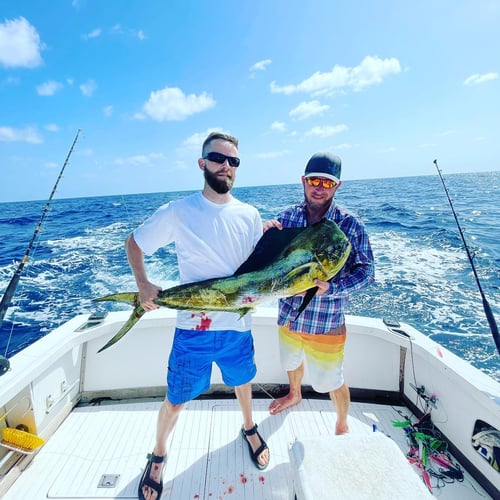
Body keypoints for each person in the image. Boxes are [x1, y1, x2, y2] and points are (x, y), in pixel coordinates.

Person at [126, 131, 270, 500]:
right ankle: (158, 454)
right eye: (218, 158)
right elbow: (135, 242)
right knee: (176, 399)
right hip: (194, 329)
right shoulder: (179, 210)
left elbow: (256, 267)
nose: (226, 166)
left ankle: (249, 428)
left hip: (238, 325)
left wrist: (272, 237)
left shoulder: (251, 214)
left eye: (233, 161)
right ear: (202, 162)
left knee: (243, 382)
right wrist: (144, 285)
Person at [267, 152, 374, 435]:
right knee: (290, 362)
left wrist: (333, 288)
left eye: (327, 183)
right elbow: (264, 259)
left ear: (337, 186)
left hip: (326, 322)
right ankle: (294, 393)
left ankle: (342, 424)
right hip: (289, 316)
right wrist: (262, 232)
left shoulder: (351, 225)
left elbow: (367, 273)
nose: (319, 187)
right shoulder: (286, 218)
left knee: (331, 381)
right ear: (303, 181)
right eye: (314, 180)